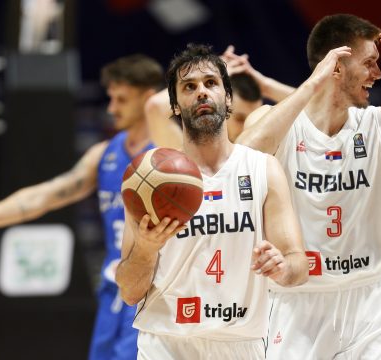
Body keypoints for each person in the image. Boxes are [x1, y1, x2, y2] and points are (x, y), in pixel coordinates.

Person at [236, 13, 381, 359]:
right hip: (297, 297)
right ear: (335, 67)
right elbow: (239, 162)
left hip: (367, 297)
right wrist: (310, 86)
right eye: (369, 63)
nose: (378, 74)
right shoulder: (281, 124)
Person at [0, 54, 177, 360]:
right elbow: (41, 197)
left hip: (156, 289)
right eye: (110, 98)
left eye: (121, 99)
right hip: (114, 287)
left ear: (149, 98)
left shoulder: (172, 154)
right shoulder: (103, 153)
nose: (111, 109)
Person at [115, 43, 308, 360]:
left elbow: (298, 265)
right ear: (175, 106)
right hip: (165, 342)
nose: (201, 92)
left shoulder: (263, 168)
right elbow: (129, 291)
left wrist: (283, 267)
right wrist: (147, 250)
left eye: (211, 83)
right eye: (189, 87)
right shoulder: (147, 178)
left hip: (239, 344)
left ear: (228, 98)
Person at [144, 45, 295, 147]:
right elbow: (155, 107)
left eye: (256, 118)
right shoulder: (189, 159)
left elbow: (314, 103)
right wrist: (211, 72)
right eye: (240, 118)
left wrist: (266, 86)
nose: (249, 126)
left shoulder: (268, 153)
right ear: (222, 103)